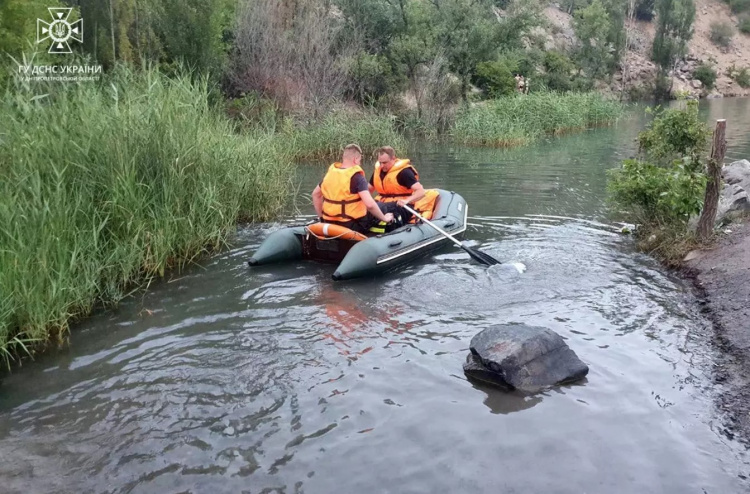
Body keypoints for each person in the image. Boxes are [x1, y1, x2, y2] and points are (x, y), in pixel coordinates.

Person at [312, 143, 396, 234]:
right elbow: (370, 205)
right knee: (382, 206)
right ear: (355, 159)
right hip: (352, 224)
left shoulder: (330, 174)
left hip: (329, 221)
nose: (360, 163)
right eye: (360, 160)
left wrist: (322, 218)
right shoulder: (357, 177)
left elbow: (315, 195)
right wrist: (384, 218)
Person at [369, 146, 438, 227]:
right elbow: (367, 189)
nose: (381, 166)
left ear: (393, 159)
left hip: (401, 205)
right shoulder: (378, 171)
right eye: (380, 162)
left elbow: (421, 191)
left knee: (378, 207)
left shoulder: (404, 172)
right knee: (370, 208)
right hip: (383, 203)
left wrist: (407, 200)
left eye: (384, 163)